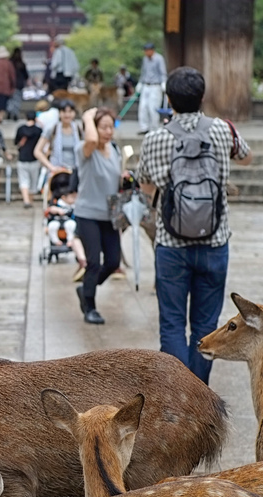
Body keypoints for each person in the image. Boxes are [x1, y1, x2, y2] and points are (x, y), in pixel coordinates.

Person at [136, 66, 252, 383]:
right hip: (215, 242)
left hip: (171, 246)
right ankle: (198, 394)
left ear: (169, 101)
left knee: (172, 323)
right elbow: (247, 157)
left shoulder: (155, 138)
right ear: (202, 98)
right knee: (205, 323)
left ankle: (177, 397)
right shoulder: (222, 130)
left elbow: (145, 187)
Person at [73, 107, 122, 325]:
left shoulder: (114, 149)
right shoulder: (85, 149)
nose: (108, 132)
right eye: (103, 127)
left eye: (111, 127)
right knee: (93, 261)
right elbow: (91, 139)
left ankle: (85, 288)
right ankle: (90, 307)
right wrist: (86, 116)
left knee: (112, 261)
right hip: (88, 214)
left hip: (110, 214)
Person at [137, 42, 167, 134]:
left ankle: (154, 129)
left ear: (152, 50)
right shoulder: (145, 59)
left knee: (153, 108)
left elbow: (162, 72)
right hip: (146, 85)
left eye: (148, 50)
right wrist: (140, 83)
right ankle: (144, 127)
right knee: (143, 107)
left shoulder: (159, 59)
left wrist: (163, 82)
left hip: (155, 86)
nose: (147, 53)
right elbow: (143, 72)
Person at [14, 110, 42, 208]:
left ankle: (26, 200)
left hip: (22, 158)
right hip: (34, 158)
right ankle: (30, 200)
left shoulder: (21, 129)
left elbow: (16, 142)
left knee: (23, 180)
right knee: (34, 181)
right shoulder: (38, 130)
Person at [7, 47, 29, 121]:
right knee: (17, 100)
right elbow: (26, 75)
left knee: (10, 99)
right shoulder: (21, 64)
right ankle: (15, 113)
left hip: (10, 84)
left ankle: (10, 111)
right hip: (19, 84)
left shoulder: (9, 63)